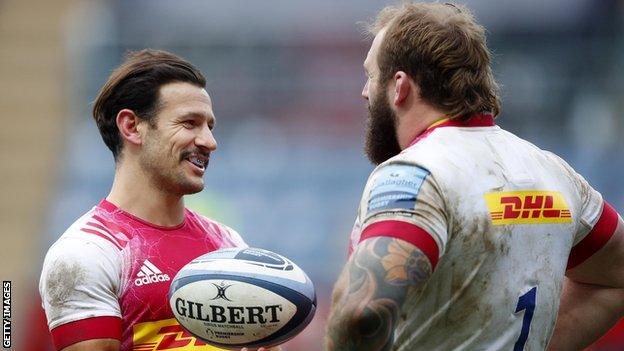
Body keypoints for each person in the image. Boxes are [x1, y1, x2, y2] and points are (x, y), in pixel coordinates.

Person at [325, 2, 624, 350]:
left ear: (399, 86)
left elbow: (360, 312)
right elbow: (616, 276)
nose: (364, 91)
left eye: (371, 75)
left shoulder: (415, 173)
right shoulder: (554, 173)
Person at [38, 50, 273, 351]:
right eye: (190, 123)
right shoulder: (85, 255)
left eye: (209, 127)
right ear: (131, 127)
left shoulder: (227, 244)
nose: (210, 142)